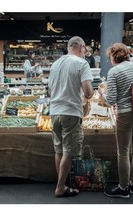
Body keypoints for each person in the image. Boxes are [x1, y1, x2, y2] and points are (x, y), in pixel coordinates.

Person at [99, 43, 133, 199]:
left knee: (123, 153)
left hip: (125, 115)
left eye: (110, 56)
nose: (109, 60)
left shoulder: (114, 71)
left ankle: (123, 188)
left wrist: (102, 93)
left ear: (114, 56)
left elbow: (111, 100)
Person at [48, 36, 94, 198]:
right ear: (81, 47)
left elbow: (50, 91)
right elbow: (88, 92)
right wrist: (91, 93)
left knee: (59, 150)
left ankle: (63, 183)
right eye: (85, 50)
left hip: (54, 112)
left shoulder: (55, 64)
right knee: (69, 151)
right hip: (71, 112)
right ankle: (60, 187)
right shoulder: (82, 64)